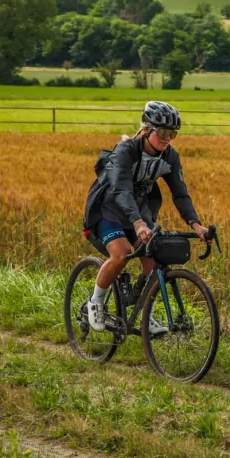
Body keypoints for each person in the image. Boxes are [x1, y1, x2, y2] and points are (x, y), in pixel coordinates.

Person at [82, 101, 209, 333]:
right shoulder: (125, 151)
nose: (167, 138)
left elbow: (180, 193)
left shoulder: (169, 156)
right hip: (109, 209)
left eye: (173, 133)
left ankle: (141, 313)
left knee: (153, 263)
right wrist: (138, 223)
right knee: (121, 255)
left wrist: (196, 224)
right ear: (147, 129)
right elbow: (121, 190)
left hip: (138, 212)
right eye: (162, 132)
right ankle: (95, 301)